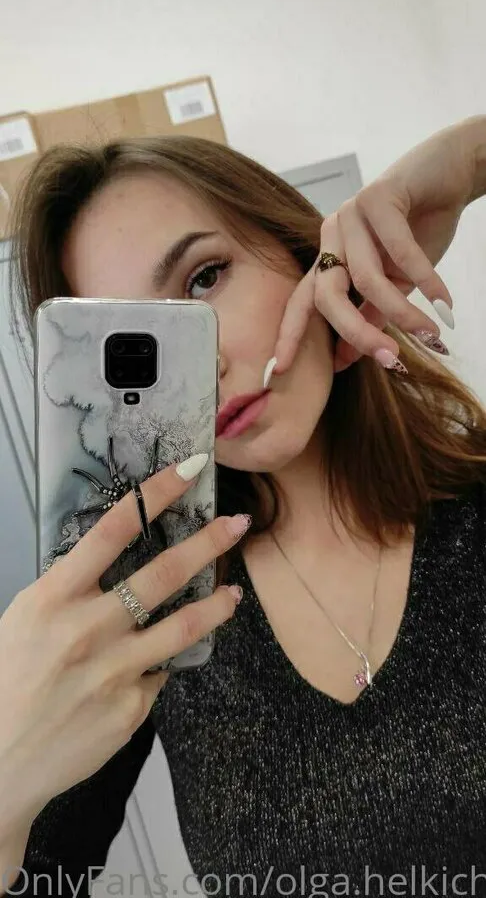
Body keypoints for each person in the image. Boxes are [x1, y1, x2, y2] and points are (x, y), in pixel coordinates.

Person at [1, 116, 486, 897]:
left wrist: (470, 155)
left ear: (301, 251)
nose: (202, 364)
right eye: (142, 339)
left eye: (204, 279)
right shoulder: (152, 609)